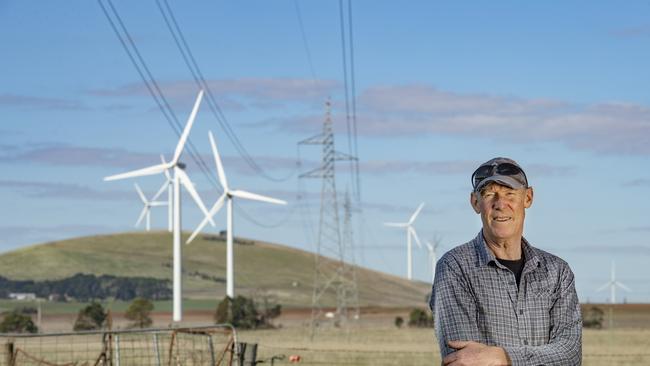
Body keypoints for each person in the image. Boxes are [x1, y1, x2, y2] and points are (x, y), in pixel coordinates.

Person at [429, 157, 582, 365]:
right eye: (490, 194)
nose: (500, 204)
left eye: (510, 193)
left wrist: (505, 358)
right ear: (475, 202)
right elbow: (464, 360)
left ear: (528, 198)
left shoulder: (558, 272)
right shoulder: (454, 267)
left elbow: (570, 354)